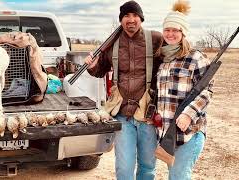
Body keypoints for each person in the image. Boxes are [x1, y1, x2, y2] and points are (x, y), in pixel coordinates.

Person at [85, 1, 162, 179]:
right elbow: (99, 71)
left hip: (147, 115)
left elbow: (174, 56)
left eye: (135, 15)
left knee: (148, 166)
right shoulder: (112, 44)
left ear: (141, 18)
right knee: (124, 168)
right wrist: (93, 65)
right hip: (122, 114)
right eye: (126, 16)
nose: (131, 19)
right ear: (121, 20)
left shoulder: (156, 39)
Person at [155, 0, 213, 179]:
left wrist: (189, 114)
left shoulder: (196, 57)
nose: (170, 34)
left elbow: (207, 91)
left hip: (190, 133)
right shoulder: (163, 60)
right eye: (167, 30)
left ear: (183, 32)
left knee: (179, 176)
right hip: (168, 133)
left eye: (175, 30)